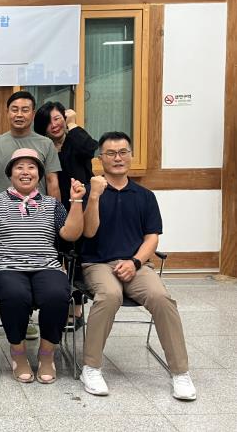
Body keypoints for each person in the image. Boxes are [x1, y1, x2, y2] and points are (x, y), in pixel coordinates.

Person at [79, 131, 197, 401]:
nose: (118, 158)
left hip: (136, 264)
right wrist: (94, 196)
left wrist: (134, 262)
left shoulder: (144, 195)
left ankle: (180, 372)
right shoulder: (90, 191)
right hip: (98, 263)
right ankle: (91, 367)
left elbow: (152, 237)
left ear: (131, 156)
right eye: (111, 153)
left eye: (123, 152)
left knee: (162, 297)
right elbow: (88, 232)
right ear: (100, 158)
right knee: (110, 295)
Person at [0, 148, 85, 384]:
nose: (26, 172)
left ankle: (46, 354)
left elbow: (70, 234)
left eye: (31, 167)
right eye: (19, 167)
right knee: (15, 295)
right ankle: (18, 353)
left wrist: (76, 201)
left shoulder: (52, 204)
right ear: (10, 174)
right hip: (7, 267)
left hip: (47, 265)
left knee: (57, 294)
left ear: (39, 175)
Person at [0, 91, 62, 338]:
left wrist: (56, 219)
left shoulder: (45, 144)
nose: (19, 114)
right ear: (7, 112)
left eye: (25, 109)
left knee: (30, 269)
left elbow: (52, 182)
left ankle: (26, 316)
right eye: (15, 109)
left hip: (36, 218)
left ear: (33, 113)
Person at [34, 102, 98, 330]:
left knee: (77, 257)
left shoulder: (74, 140)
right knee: (55, 256)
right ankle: (56, 304)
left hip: (79, 205)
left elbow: (90, 148)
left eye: (58, 118)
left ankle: (76, 309)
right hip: (51, 207)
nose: (54, 125)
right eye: (48, 121)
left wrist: (73, 123)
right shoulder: (42, 146)